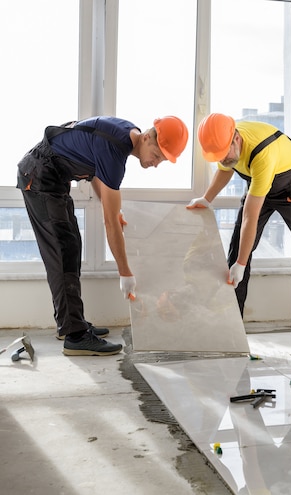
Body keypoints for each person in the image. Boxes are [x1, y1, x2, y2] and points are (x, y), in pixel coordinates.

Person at [17, 115, 188, 356]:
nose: (156, 163)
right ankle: (75, 336)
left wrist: (113, 210)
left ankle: (70, 325)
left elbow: (98, 173)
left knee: (71, 246)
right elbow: (109, 223)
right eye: (157, 155)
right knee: (63, 251)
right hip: (39, 178)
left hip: (51, 179)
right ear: (148, 137)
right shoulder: (116, 149)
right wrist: (125, 272)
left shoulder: (127, 135)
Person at [187, 113, 291, 317]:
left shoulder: (262, 153)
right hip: (258, 187)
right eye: (218, 157)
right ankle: (232, 326)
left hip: (290, 190)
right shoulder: (223, 143)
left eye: (224, 154)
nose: (223, 159)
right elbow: (225, 170)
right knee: (235, 258)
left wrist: (242, 264)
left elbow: (250, 217)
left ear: (236, 139)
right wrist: (206, 199)